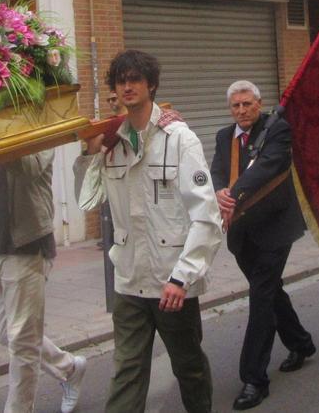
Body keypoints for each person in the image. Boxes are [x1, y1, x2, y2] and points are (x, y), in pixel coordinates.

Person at [79, 50, 222, 412]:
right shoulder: (112, 143)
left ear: (151, 85)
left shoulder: (179, 139)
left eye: (134, 80)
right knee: (126, 369)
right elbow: (87, 199)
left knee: (188, 367)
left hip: (170, 281)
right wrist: (89, 153)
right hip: (129, 277)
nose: (126, 87)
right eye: (120, 81)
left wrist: (183, 277)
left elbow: (206, 216)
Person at [0, 150, 87, 413]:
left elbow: (31, 166)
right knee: (6, 333)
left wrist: (3, 136)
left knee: (22, 342)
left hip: (27, 243)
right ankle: (68, 368)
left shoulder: (34, 127)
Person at [211, 80, 313, 410]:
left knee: (261, 295)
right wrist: (217, 192)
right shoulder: (224, 137)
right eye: (235, 106)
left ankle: (254, 378)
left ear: (258, 103)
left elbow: (270, 166)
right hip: (241, 231)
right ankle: (301, 342)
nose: (241, 110)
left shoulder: (277, 130)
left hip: (275, 228)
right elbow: (215, 171)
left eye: (247, 104)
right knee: (269, 290)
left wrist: (233, 193)